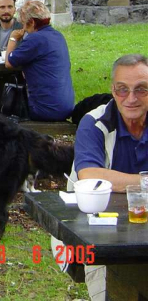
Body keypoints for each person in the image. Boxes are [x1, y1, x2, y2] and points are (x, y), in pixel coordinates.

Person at [68, 54, 148, 301]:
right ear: (113, 90)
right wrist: (145, 183)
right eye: (122, 89)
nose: (131, 98)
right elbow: (90, 176)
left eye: (141, 89)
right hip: (96, 229)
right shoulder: (94, 122)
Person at [5, 0, 74, 121]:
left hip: (44, 109)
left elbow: (9, 63)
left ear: (32, 22)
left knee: (6, 106)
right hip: (65, 108)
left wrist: (13, 39)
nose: (24, 29)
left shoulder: (35, 39)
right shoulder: (58, 36)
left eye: (24, 24)